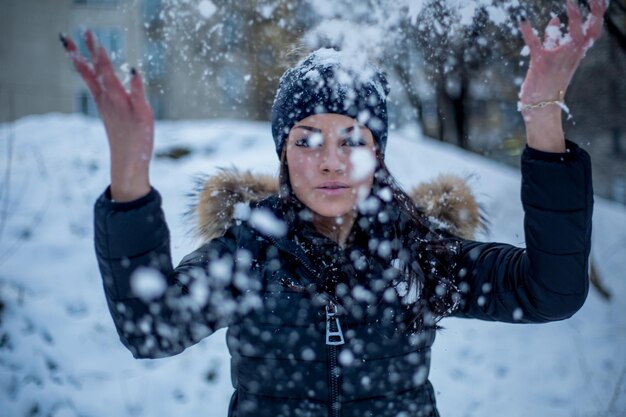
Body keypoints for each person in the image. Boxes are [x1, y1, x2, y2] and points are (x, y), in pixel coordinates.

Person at [61, 1, 606, 416]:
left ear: (378, 153)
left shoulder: (420, 253)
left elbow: (550, 291)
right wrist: (129, 177)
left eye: (351, 139)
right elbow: (152, 329)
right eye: (306, 141)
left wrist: (541, 119)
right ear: (282, 155)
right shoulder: (248, 256)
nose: (330, 162)